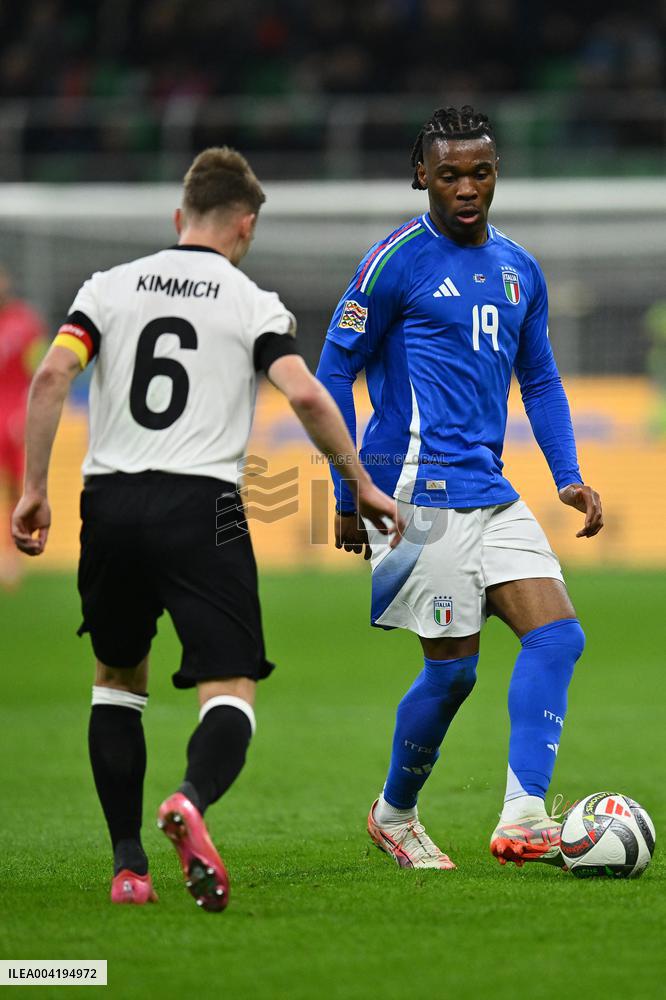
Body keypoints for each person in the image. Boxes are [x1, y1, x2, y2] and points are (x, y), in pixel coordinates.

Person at [11, 146, 400, 910]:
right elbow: (308, 397)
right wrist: (359, 485)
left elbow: (53, 374)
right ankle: (189, 799)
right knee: (230, 685)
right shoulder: (252, 302)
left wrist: (32, 490)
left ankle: (128, 868)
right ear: (245, 227)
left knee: (118, 682)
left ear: (177, 217)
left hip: (109, 502)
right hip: (205, 504)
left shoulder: (107, 288)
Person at [316, 106, 603, 871]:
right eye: (450, 173)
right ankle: (394, 813)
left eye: (481, 171)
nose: (468, 186)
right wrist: (348, 493)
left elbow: (539, 378)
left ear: (496, 171)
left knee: (558, 636)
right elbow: (332, 371)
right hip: (412, 490)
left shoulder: (520, 268)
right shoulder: (394, 262)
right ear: (422, 176)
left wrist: (568, 476)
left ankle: (524, 815)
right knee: (455, 672)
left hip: (491, 488)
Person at [0, 266, 45, 587]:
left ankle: (11, 554)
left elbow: (41, 371)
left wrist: (27, 413)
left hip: (14, 418)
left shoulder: (25, 323)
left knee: (18, 489)